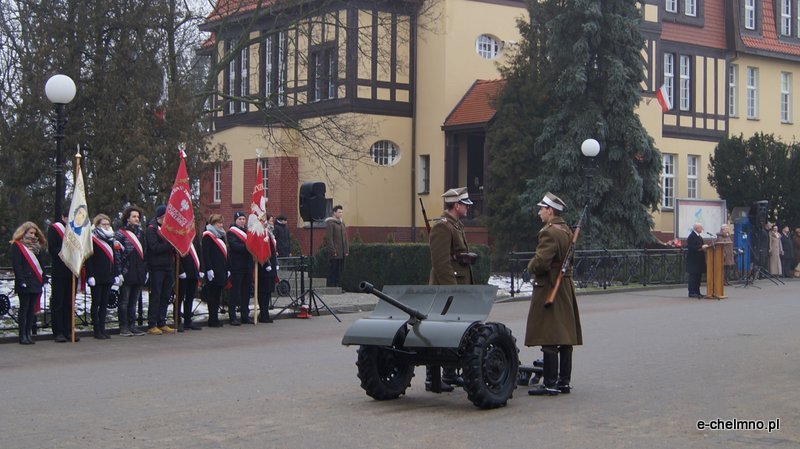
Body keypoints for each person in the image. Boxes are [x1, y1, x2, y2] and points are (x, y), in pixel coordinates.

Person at [525, 192, 583, 396]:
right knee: (565, 337)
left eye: (542, 209)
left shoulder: (549, 232)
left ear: (550, 211)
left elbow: (542, 262)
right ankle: (563, 382)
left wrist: (530, 266)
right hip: (564, 287)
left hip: (550, 287)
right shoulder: (566, 230)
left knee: (549, 335)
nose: (539, 212)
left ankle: (549, 383)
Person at [426, 187, 475, 392]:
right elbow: (441, 263)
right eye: (465, 205)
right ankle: (433, 377)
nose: (468, 208)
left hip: (457, 284)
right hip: (447, 287)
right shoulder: (443, 227)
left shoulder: (456, 225)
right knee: (439, 331)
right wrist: (452, 290)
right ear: (456, 205)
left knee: (454, 331)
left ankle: (449, 373)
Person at [85, 214, 122, 339]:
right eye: (103, 224)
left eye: (108, 224)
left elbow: (114, 257)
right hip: (96, 276)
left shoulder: (110, 238)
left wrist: (116, 273)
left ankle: (102, 328)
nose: (106, 226)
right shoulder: (92, 238)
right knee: (96, 302)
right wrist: (90, 275)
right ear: (97, 225)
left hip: (108, 275)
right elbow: (88, 259)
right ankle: (96, 329)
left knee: (105, 303)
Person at [9, 222, 47, 345]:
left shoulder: (36, 246)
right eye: (30, 233)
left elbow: (41, 264)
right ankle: (22, 335)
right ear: (24, 232)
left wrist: (44, 277)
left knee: (31, 310)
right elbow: (17, 265)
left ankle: (28, 333)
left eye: (34, 233)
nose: (33, 235)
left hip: (36, 281)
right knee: (24, 309)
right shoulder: (17, 245)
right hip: (25, 281)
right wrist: (21, 280)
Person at [115, 206, 148, 337]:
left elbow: (145, 253)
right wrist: (119, 272)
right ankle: (123, 326)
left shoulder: (141, 233)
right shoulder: (120, 233)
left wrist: (146, 270)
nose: (136, 219)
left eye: (138, 217)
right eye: (134, 216)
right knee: (124, 301)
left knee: (134, 301)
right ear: (127, 218)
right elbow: (117, 253)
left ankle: (132, 325)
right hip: (126, 271)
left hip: (139, 271)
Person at [47, 209, 78, 342]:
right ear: (63, 217)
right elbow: (53, 249)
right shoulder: (55, 229)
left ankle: (69, 330)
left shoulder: (77, 231)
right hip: (60, 270)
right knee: (58, 302)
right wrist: (68, 254)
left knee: (69, 302)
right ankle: (58, 331)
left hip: (72, 271)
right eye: (68, 218)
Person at [145, 205, 176, 334]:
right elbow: (155, 247)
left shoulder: (168, 229)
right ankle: (152, 323)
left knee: (166, 295)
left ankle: (162, 321)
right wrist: (170, 244)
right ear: (160, 217)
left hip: (168, 266)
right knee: (156, 295)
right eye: (165, 217)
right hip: (157, 267)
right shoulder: (152, 229)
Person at [202, 214, 228, 327]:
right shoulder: (208, 235)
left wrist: (228, 268)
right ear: (213, 224)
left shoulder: (221, 236)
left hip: (221, 269)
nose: (221, 225)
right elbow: (206, 254)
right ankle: (211, 319)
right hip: (213, 269)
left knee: (218, 295)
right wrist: (208, 269)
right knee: (212, 295)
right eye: (218, 223)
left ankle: (216, 318)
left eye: (221, 223)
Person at [227, 211, 253, 325]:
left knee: (246, 292)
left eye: (243, 219)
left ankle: (245, 315)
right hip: (237, 266)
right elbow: (235, 246)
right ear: (235, 220)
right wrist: (248, 247)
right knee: (235, 291)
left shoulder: (247, 231)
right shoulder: (231, 232)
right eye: (240, 219)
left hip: (247, 265)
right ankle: (232, 316)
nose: (242, 221)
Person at [177, 234, 203, 331]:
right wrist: (180, 270)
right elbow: (177, 255)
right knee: (180, 297)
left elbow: (199, 252)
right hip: (183, 271)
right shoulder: (179, 234)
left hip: (194, 270)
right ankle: (178, 321)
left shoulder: (194, 235)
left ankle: (188, 320)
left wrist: (201, 269)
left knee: (190, 297)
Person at [256, 214, 278, 323]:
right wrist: (266, 264)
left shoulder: (270, 233)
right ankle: (263, 313)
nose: (270, 223)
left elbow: (272, 250)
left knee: (268, 291)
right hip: (263, 267)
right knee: (263, 291)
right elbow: (261, 251)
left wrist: (275, 263)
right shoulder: (260, 234)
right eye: (269, 220)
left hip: (271, 266)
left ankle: (266, 313)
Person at [325, 205, 349, 288]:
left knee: (340, 270)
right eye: (339, 212)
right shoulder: (330, 223)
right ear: (334, 213)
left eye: (342, 212)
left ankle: (339, 286)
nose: (341, 214)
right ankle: (332, 286)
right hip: (335, 252)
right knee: (334, 269)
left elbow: (345, 238)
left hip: (342, 252)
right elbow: (329, 238)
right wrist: (333, 250)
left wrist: (346, 250)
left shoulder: (342, 223)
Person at [686, 222, 709, 298]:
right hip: (693, 261)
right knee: (693, 277)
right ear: (696, 228)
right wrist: (702, 247)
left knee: (698, 277)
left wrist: (704, 249)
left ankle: (697, 292)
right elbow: (692, 247)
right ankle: (692, 292)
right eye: (700, 227)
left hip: (699, 261)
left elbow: (699, 247)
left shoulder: (699, 236)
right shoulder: (692, 236)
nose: (702, 229)